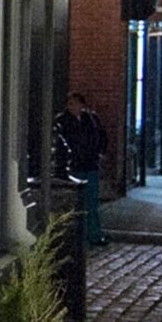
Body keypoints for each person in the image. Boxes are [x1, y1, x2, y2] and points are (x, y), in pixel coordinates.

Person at [54, 92, 110, 247]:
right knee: (76, 203)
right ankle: (77, 238)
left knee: (91, 202)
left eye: (75, 104)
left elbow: (101, 137)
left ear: (82, 105)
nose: (73, 107)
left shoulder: (90, 119)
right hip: (75, 166)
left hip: (90, 164)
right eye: (70, 104)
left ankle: (94, 235)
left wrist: (99, 153)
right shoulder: (62, 121)